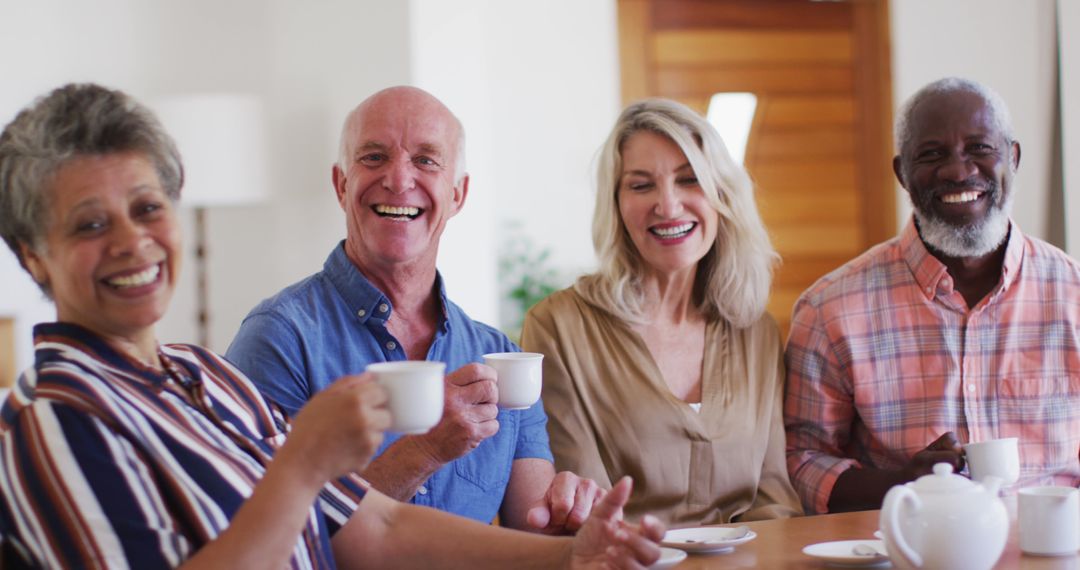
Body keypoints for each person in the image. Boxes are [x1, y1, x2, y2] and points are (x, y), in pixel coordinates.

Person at [0, 82, 665, 568]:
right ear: (34, 254)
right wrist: (303, 465)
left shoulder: (201, 374)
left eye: (148, 207)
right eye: (90, 223)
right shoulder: (56, 414)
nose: (131, 241)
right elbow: (311, 514)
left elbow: (377, 532)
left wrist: (577, 554)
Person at [226, 86, 602, 534]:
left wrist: (572, 511)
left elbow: (537, 531)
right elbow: (260, 538)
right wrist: (424, 450)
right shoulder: (278, 338)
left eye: (426, 160)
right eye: (373, 157)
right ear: (341, 184)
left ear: (458, 194)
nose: (399, 179)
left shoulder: (498, 354)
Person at [784, 77, 1080, 515]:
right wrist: (902, 486)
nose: (958, 171)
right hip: (905, 552)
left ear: (1012, 158)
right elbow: (801, 459)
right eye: (932, 154)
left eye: (979, 148)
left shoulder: (1072, 294)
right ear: (902, 173)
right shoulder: (829, 310)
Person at [519, 98, 802, 527]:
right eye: (640, 185)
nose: (668, 206)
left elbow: (775, 498)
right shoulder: (558, 328)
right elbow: (586, 510)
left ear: (722, 196)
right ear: (615, 205)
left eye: (689, 180)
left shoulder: (755, 330)